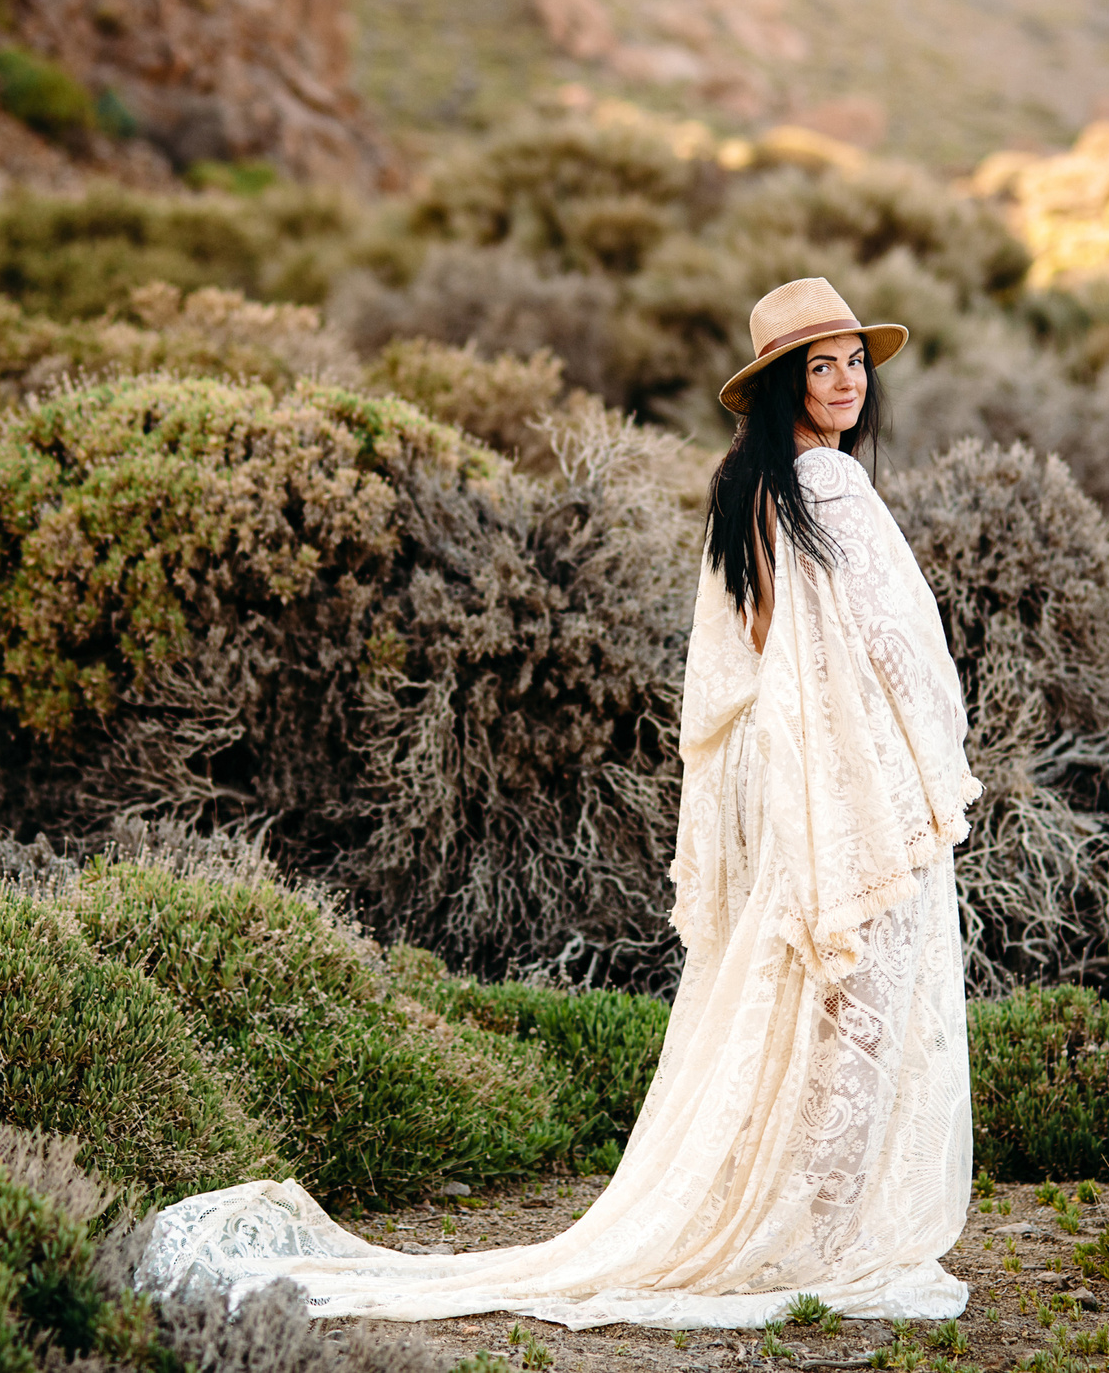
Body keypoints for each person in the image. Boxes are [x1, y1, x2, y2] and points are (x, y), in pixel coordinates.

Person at [132, 277, 982, 1329]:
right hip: (844, 776)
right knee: (858, 996)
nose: (848, 381)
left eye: (856, 361)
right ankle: (819, 1231)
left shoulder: (744, 488)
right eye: (823, 365)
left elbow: (738, 667)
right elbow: (906, 651)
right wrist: (935, 754)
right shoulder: (829, 490)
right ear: (782, 386)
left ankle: (791, 1220)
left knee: (807, 993)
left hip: (787, 771)